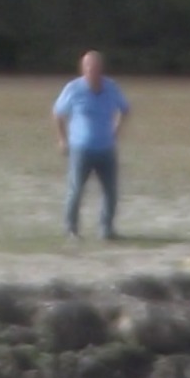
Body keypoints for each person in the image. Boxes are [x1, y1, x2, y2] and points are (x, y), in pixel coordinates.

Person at [50, 49, 134, 240]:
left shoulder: (111, 88)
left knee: (110, 191)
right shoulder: (73, 89)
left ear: (101, 69)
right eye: (88, 68)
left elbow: (125, 109)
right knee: (76, 190)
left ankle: (107, 229)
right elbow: (58, 113)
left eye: (95, 68)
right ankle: (71, 229)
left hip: (106, 148)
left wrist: (116, 130)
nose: (92, 71)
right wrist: (63, 139)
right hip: (81, 148)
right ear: (83, 69)